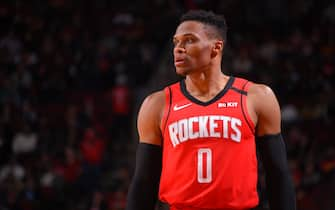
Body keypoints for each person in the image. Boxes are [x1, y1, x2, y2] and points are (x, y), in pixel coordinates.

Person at [126, 10, 296, 210]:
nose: (178, 49)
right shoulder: (156, 104)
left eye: (189, 40)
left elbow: (278, 173)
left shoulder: (257, 97)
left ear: (216, 48)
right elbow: (144, 182)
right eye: (176, 42)